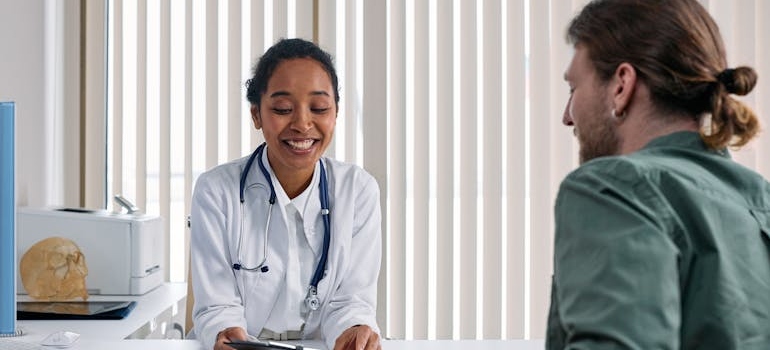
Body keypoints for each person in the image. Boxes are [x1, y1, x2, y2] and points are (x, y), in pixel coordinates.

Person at [547, 0, 770, 349]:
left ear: (622, 85)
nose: (567, 116)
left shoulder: (612, 188)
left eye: (573, 88)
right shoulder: (759, 200)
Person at [189, 38, 382, 350]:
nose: (302, 124)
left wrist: (355, 329)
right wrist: (224, 332)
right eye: (282, 109)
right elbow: (217, 306)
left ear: (335, 113)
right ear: (256, 114)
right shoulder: (216, 190)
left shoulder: (357, 191)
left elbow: (351, 301)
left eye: (319, 108)